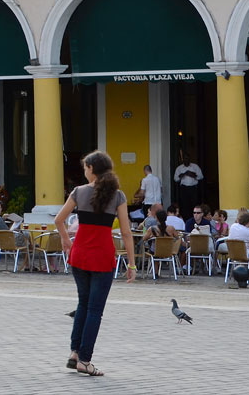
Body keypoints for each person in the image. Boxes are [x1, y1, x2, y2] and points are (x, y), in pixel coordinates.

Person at [55, 150, 137, 378]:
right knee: (94, 310)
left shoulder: (78, 192)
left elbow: (58, 220)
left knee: (83, 304)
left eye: (85, 168)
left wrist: (65, 240)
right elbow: (126, 232)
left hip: (79, 254)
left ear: (91, 168)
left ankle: (74, 353)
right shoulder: (118, 196)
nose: (84, 171)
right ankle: (85, 360)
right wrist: (131, 264)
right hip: (102, 256)